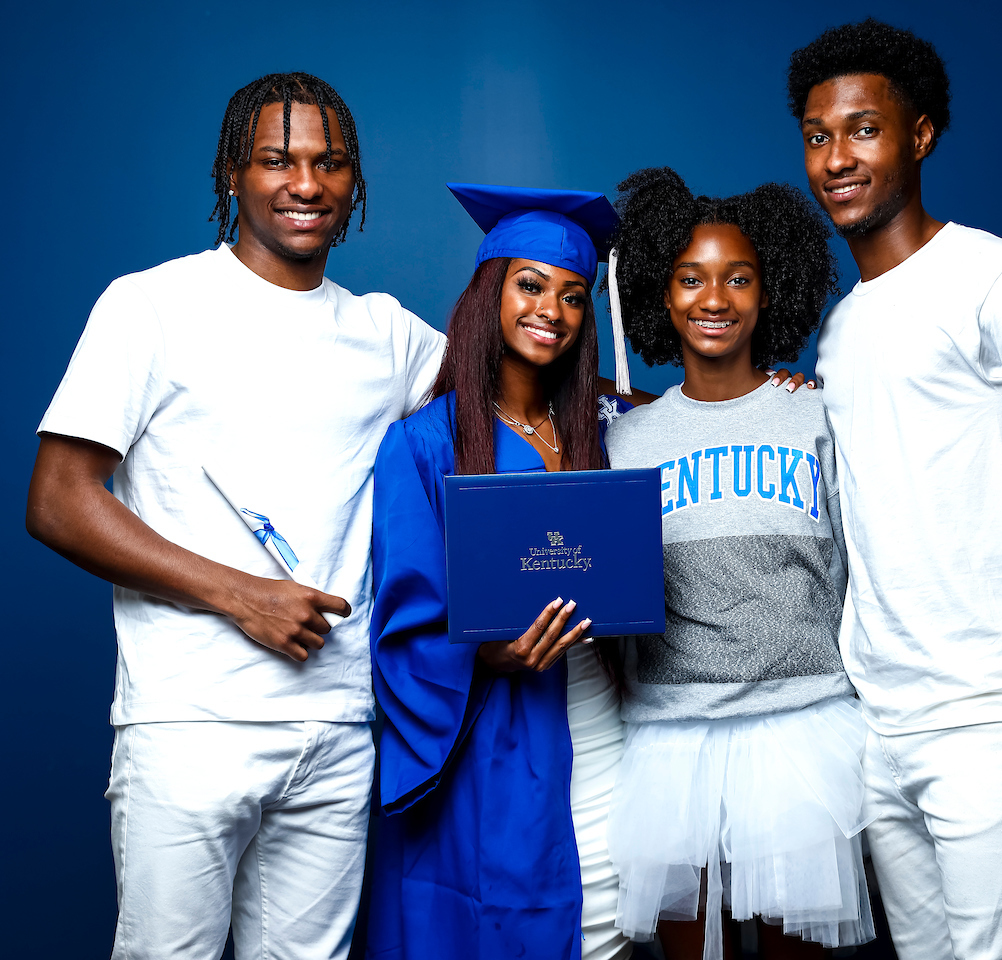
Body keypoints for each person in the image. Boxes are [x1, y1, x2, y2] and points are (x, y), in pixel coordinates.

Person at [25, 73, 446, 960]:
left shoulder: (389, 335)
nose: (306, 184)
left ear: (356, 181)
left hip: (338, 729)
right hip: (191, 724)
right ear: (231, 173)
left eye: (330, 162)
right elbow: (58, 500)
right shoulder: (151, 306)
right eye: (277, 160)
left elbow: (518, 390)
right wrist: (240, 595)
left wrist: (706, 396)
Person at [787, 19, 1002, 960]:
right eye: (818, 136)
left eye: (864, 130)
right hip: (880, 722)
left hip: (991, 716)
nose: (836, 157)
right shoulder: (840, 330)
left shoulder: (998, 275)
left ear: (921, 135)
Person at [603, 167, 873, 960]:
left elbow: (866, 569)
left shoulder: (817, 413)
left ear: (770, 288)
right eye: (690, 278)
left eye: (738, 278)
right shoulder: (626, 441)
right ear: (660, 293)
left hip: (801, 726)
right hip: (670, 736)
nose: (713, 298)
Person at [367, 183, 634, 960]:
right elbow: (404, 624)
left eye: (574, 296)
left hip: (607, 724)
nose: (552, 309)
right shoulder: (424, 444)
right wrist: (487, 652)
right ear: (491, 293)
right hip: (497, 734)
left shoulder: (607, 433)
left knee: (610, 921)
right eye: (531, 286)